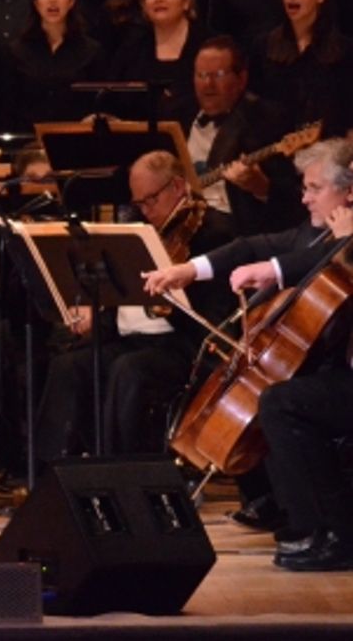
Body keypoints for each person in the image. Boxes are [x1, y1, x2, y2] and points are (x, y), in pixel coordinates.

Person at [142, 138, 353, 571]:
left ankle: (333, 533)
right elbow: (253, 247)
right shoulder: (325, 234)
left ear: (347, 192)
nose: (304, 197)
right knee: (282, 392)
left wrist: (277, 270)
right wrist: (187, 270)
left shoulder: (344, 241)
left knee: (282, 401)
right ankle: (303, 520)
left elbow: (313, 265)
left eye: (314, 187)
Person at [34, 151, 235, 463]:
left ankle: (122, 475)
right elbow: (118, 290)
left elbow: (213, 317)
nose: (144, 210)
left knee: (129, 370)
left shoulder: (215, 232)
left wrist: (171, 294)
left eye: (150, 200)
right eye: (138, 202)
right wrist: (91, 310)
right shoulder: (138, 229)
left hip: (182, 344)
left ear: (178, 186)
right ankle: (52, 473)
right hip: (129, 339)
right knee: (69, 365)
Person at [182, 35, 302, 236]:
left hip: (233, 231)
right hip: (185, 224)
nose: (208, 84)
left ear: (242, 78)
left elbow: (293, 200)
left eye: (218, 74)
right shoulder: (179, 113)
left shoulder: (267, 121)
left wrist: (261, 188)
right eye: (201, 75)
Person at [251, 0, 353, 139]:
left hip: (329, 148)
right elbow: (254, 105)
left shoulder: (344, 50)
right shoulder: (264, 46)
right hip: (276, 149)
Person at [4, 0, 105, 130]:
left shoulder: (91, 51)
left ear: (71, 1)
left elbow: (100, 106)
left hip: (77, 142)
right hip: (28, 144)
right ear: (35, 3)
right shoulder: (17, 51)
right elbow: (7, 106)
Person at [107, 0, 208, 118]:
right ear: (143, 6)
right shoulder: (130, 49)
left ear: (186, 1)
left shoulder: (208, 44)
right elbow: (114, 103)